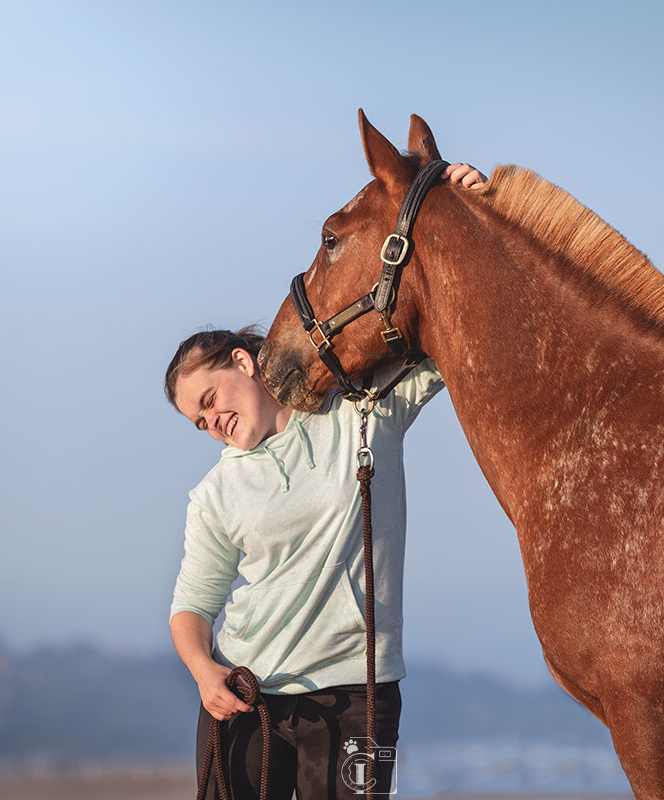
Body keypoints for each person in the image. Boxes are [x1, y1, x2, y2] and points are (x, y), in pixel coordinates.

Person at [167, 163, 487, 800]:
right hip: (247, 696)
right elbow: (192, 607)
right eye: (197, 418)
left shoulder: (363, 411)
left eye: (209, 397)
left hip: (355, 698)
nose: (211, 420)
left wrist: (469, 202)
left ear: (243, 361)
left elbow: (455, 322)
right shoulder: (215, 495)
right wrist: (206, 673)